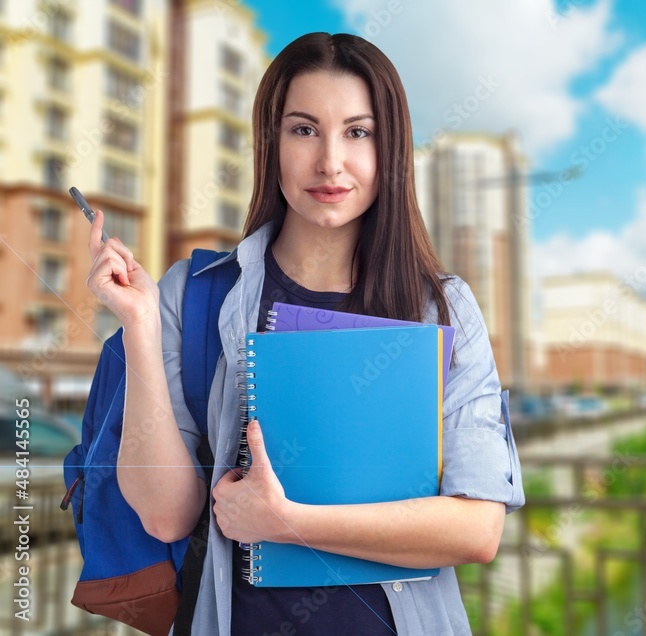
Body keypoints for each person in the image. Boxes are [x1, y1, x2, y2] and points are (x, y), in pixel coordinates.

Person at [86, 32, 524, 635]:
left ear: (390, 149)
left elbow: (477, 530)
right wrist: (137, 324)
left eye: (358, 132)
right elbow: (166, 516)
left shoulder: (442, 309)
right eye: (303, 129)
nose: (330, 163)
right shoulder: (192, 294)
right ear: (271, 142)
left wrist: (285, 521)